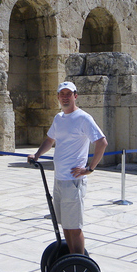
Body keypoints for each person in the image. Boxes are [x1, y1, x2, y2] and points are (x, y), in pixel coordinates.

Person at [28, 81, 108, 255]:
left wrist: (90, 168)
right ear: (58, 97)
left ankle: (78, 263)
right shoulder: (59, 118)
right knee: (65, 224)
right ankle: (71, 258)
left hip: (73, 181)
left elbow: (102, 142)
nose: (65, 97)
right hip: (59, 179)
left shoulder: (83, 118)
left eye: (68, 94)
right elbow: (50, 140)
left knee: (75, 227)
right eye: (61, 94)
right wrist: (37, 155)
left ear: (75, 96)